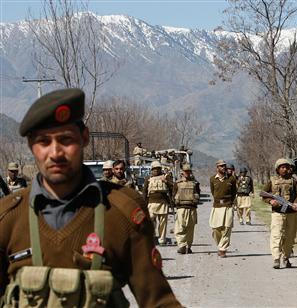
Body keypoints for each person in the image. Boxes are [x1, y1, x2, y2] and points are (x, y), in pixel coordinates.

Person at [0, 88, 181, 306]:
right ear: (31, 145)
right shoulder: (8, 218)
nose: (56, 153)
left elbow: (159, 301)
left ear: (84, 138)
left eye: (66, 139)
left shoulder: (121, 212)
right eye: (44, 142)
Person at [262, 158, 297, 269]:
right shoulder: (272, 180)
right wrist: (271, 201)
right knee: (276, 235)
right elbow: (264, 194)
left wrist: (295, 203)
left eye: (286, 167)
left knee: (290, 237)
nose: (285, 169)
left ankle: (286, 257)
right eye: (282, 167)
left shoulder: (294, 181)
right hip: (277, 213)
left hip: (291, 213)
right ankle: (276, 258)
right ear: (278, 169)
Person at [209, 160, 237, 258]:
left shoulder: (232, 179)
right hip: (217, 207)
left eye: (224, 166)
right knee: (216, 229)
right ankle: (219, 244)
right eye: (221, 166)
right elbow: (213, 192)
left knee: (227, 228)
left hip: (228, 206)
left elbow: (234, 192)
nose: (223, 168)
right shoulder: (212, 179)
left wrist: (231, 203)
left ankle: (222, 249)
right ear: (217, 168)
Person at [143, 161, 173, 245]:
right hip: (151, 203)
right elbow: (145, 192)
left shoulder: (166, 177)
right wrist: (143, 203)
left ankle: (162, 239)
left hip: (163, 203)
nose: (156, 170)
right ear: (151, 169)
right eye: (154, 169)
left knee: (163, 222)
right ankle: (152, 237)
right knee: (151, 221)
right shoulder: (148, 178)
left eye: (158, 169)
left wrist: (166, 181)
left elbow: (173, 187)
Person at [173, 164, 201, 254]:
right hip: (181, 208)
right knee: (179, 229)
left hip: (191, 209)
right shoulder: (177, 183)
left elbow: (198, 194)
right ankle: (182, 246)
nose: (187, 173)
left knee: (190, 229)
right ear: (182, 172)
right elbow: (173, 195)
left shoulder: (195, 183)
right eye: (186, 171)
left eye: (188, 171)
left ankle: (188, 247)